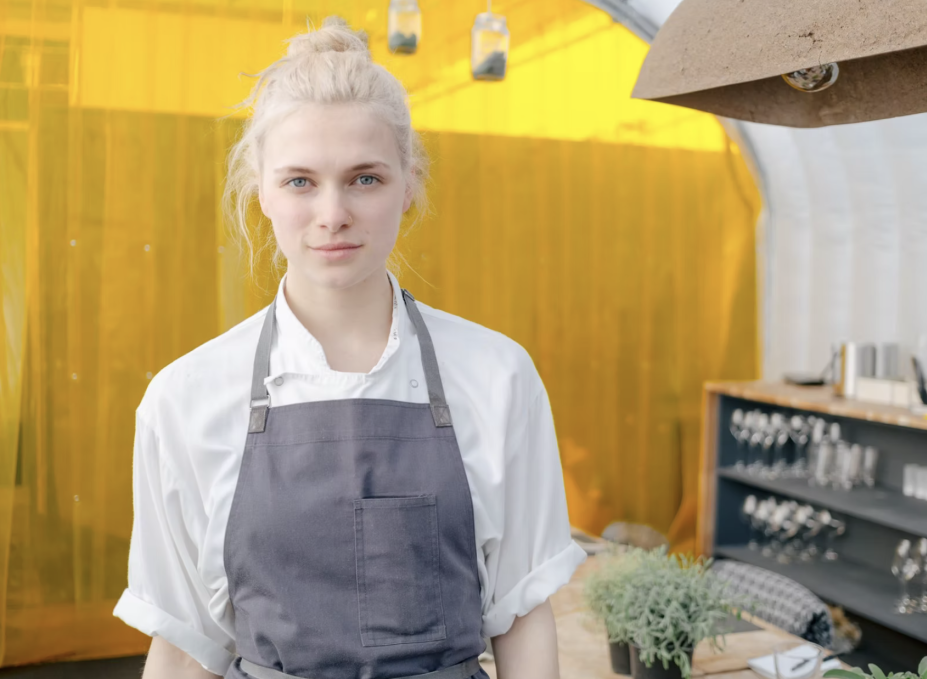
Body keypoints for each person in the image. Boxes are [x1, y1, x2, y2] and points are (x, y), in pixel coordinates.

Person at [113, 16, 587, 679]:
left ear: (410, 180)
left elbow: (522, 618)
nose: (332, 213)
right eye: (300, 181)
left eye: (365, 178)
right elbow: (188, 642)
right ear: (261, 188)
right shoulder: (184, 398)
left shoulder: (498, 376)